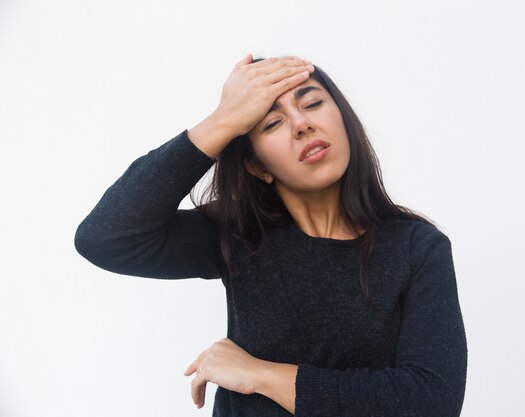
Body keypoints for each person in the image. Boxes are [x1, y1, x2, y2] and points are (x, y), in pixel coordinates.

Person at [74, 53, 468, 417]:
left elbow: (431, 402)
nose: (302, 124)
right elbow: (105, 237)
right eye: (272, 123)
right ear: (257, 167)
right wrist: (223, 121)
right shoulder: (239, 237)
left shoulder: (416, 248)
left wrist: (260, 375)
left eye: (312, 103)